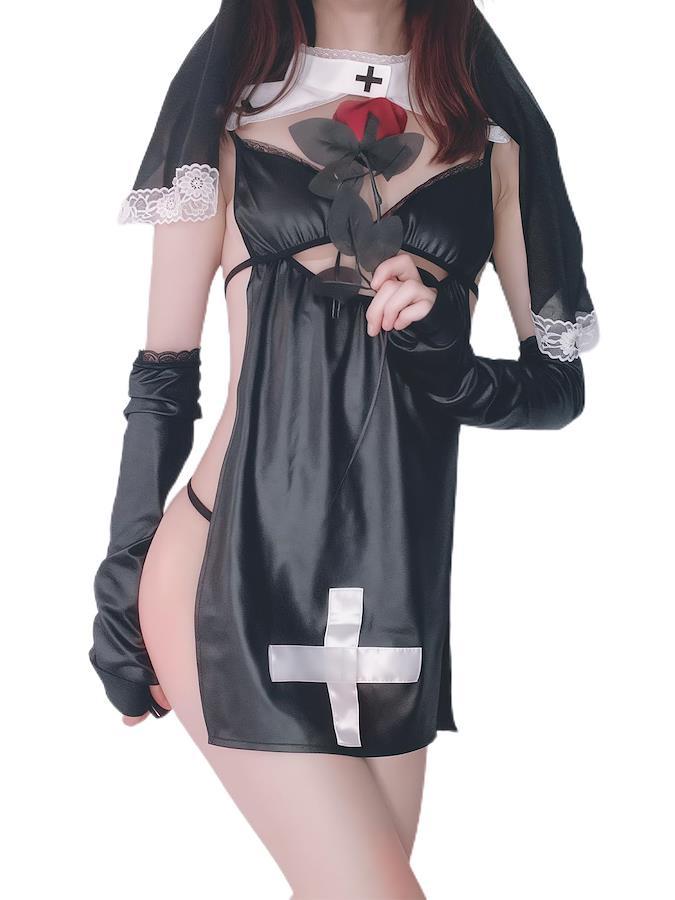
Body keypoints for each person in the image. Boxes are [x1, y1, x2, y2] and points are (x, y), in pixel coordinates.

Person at [89, 1, 598, 896]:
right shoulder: (226, 130)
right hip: (224, 567)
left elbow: (558, 391)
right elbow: (163, 379)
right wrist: (123, 579)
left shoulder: (494, 147)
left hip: (390, 604)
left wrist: (446, 359)